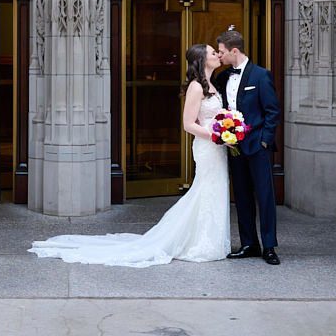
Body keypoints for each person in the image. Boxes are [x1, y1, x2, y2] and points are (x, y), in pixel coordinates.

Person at [28, 44, 230, 266]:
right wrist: (214, 136)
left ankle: (209, 239)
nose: (217, 55)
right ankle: (197, 241)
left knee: (215, 189)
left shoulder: (212, 84)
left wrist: (226, 131)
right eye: (213, 53)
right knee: (205, 190)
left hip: (217, 147)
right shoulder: (196, 87)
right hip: (207, 146)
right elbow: (188, 124)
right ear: (202, 60)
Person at [216, 27, 281, 265]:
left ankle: (269, 246)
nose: (220, 56)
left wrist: (265, 140)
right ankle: (249, 243)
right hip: (233, 147)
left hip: (257, 146)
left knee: (264, 197)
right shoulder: (222, 78)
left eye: (222, 52)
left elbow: (272, 111)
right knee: (241, 196)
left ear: (235, 51)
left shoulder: (261, 75)